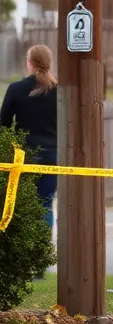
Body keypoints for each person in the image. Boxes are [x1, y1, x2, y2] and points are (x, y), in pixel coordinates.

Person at [1, 44, 58, 229]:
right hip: (52, 156)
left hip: (24, 155)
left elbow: (3, 124)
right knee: (45, 204)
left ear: (30, 63)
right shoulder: (59, 90)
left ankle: (28, 253)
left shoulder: (16, 89)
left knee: (22, 205)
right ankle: (42, 250)